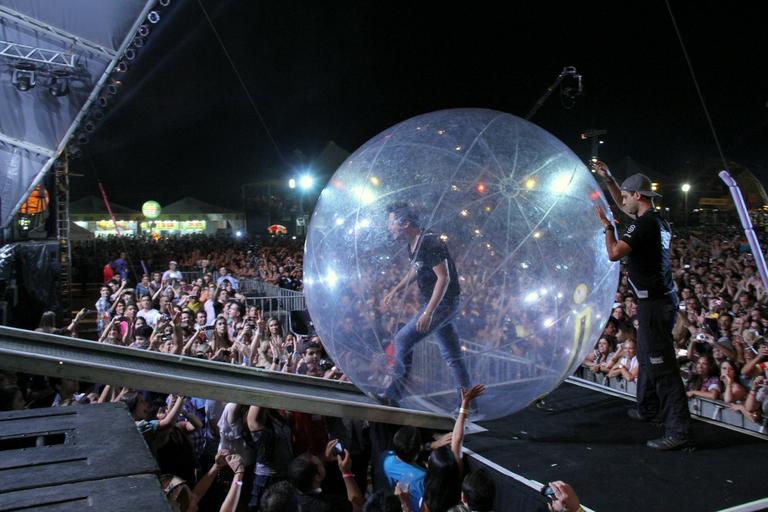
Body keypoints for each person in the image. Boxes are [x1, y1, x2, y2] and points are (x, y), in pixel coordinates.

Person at [594, 163, 693, 450]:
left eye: (625, 196)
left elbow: (614, 253)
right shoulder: (656, 221)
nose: (621, 201)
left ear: (638, 195)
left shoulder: (645, 224)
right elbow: (627, 211)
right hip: (658, 300)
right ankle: (648, 407)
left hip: (655, 303)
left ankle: (679, 431)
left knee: (662, 366)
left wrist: (608, 227)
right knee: (649, 357)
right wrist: (610, 180)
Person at [380, 202, 471, 409]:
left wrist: (428, 313)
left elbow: (443, 278)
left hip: (443, 304)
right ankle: (468, 404)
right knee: (453, 355)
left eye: (391, 223)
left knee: (402, 339)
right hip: (438, 303)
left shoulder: (429, 242)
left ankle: (394, 394)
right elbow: (417, 269)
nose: (389, 227)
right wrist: (397, 288)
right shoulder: (412, 244)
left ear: (405, 223)